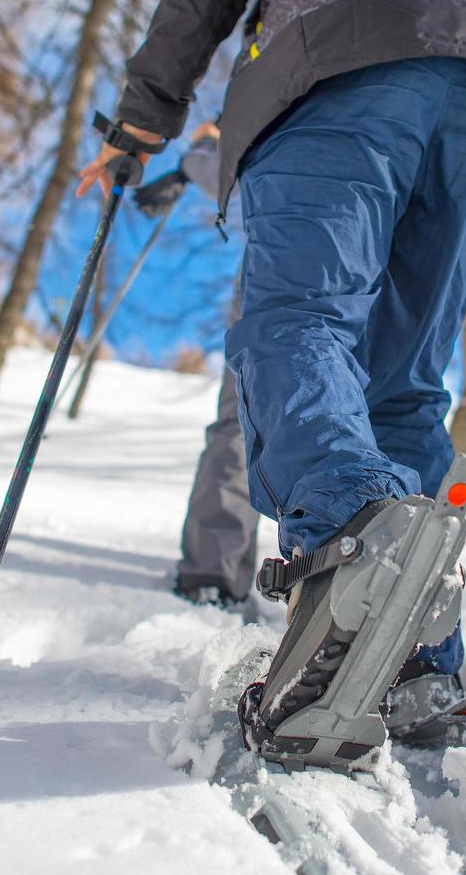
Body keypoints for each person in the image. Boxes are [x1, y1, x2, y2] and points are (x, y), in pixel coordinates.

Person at [78, 0, 466, 769]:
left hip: (335, 71)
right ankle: (417, 665)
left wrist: (143, 117)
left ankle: (353, 541)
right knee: (406, 385)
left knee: (299, 320)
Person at [136, 122, 263, 609]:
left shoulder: (292, 101)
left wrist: (198, 154)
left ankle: (213, 572)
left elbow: (236, 178)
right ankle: (358, 587)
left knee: (243, 422)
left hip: (280, 272)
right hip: (381, 280)